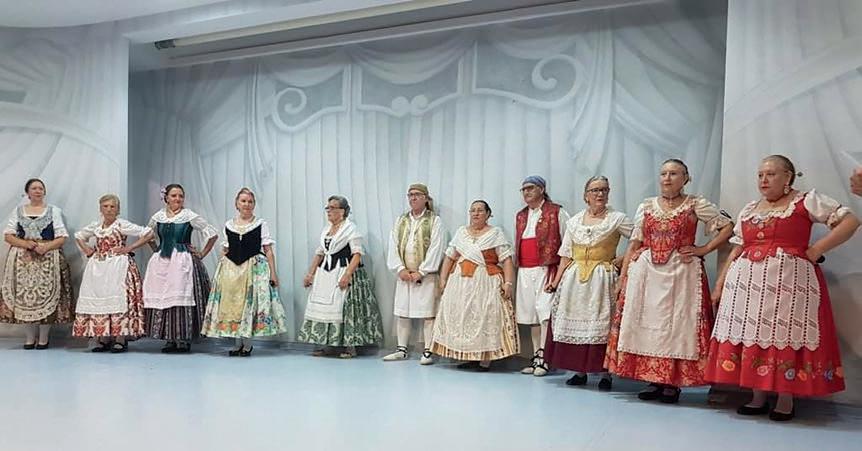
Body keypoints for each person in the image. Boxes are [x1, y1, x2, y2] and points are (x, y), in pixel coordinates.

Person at [707, 155, 859, 421]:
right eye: (760, 175)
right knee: (752, 333)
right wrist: (720, 283)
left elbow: (850, 222)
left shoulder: (805, 201)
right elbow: (738, 248)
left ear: (788, 177)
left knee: (784, 333)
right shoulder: (750, 209)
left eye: (771, 174)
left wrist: (816, 250)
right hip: (746, 286)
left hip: (789, 283)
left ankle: (785, 398)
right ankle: (757, 396)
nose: (764, 180)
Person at [605, 159, 733, 403]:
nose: (667, 178)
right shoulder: (647, 206)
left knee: (678, 326)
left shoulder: (695, 204)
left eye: (674, 173)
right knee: (648, 324)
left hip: (681, 272)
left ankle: (672, 383)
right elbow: (634, 242)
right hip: (647, 273)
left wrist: (704, 249)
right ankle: (653, 380)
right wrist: (623, 278)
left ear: (685, 178)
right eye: (663, 173)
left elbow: (727, 227)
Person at [543, 176, 632, 389]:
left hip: (601, 277)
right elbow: (566, 254)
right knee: (576, 320)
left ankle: (605, 374)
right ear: (586, 195)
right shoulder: (574, 222)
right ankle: (579, 370)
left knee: (601, 322)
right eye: (595, 190)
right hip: (574, 279)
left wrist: (623, 258)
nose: (599, 194)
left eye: (604, 190)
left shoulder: (617, 219)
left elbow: (640, 239)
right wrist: (555, 281)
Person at [431, 200, 519, 372]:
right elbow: (450, 257)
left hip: (485, 282)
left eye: (480, 210)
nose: (476, 213)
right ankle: (470, 357)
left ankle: (485, 360)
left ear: (488, 214)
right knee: (463, 318)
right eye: (473, 210)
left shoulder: (495, 233)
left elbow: (506, 259)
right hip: (460, 283)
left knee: (484, 316)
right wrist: (443, 280)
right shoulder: (461, 232)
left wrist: (508, 283)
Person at [201, 188, 287, 356]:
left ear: (254, 204)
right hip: (231, 270)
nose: (247, 204)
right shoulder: (229, 225)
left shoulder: (260, 224)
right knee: (234, 305)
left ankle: (247, 344)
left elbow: (268, 250)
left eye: (250, 201)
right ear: (237, 204)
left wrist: (273, 273)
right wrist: (219, 272)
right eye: (243, 201)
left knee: (248, 304)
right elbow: (225, 249)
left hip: (253, 268)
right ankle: (237, 344)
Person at [298, 195, 384, 358]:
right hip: (326, 273)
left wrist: (347, 275)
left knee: (344, 308)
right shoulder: (326, 230)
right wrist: (310, 273)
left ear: (342, 211)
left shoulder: (350, 229)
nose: (329, 211)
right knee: (325, 308)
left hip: (344, 270)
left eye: (332, 208)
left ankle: (350, 347)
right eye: (328, 208)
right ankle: (330, 345)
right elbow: (320, 253)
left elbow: (357, 254)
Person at [142, 183, 218, 353]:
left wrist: (202, 253)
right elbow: (147, 235)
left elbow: (212, 234)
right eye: (174, 195)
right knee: (163, 297)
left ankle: (183, 338)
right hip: (163, 260)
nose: (178, 199)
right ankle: (170, 338)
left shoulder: (188, 215)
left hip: (183, 259)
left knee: (182, 296)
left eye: (181, 196)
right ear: (166, 198)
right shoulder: (158, 216)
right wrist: (157, 250)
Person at [73, 194, 152, 352]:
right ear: (100, 208)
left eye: (112, 206)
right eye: (106, 206)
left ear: (117, 209)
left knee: (118, 297)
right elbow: (79, 236)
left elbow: (148, 233)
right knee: (100, 298)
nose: (109, 209)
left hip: (117, 265)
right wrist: (87, 250)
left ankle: (120, 338)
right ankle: (104, 337)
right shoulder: (96, 226)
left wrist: (129, 248)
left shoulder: (121, 224)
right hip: (98, 267)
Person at [0, 178, 73, 349]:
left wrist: (46, 246)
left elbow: (62, 237)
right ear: (27, 193)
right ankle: (29, 337)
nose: (38, 191)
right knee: (25, 299)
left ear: (44, 192)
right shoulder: (18, 211)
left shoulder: (54, 211)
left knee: (45, 295)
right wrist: (25, 243)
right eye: (34, 188)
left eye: (41, 188)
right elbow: (8, 236)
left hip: (48, 259)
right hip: (22, 261)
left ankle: (44, 338)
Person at [382, 184, 445, 365]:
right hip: (404, 275)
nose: (413, 198)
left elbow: (437, 247)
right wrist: (399, 269)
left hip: (426, 276)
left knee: (428, 313)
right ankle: (401, 349)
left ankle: (428, 350)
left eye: (417, 194)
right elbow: (393, 245)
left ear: (426, 198)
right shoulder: (401, 220)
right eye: (410, 195)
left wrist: (422, 271)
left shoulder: (435, 221)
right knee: (403, 311)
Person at [515, 176, 569, 377]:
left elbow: (568, 242)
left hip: (547, 269)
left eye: (530, 188)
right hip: (525, 270)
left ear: (542, 189)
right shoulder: (521, 215)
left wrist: (559, 274)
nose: (526, 192)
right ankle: (536, 356)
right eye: (523, 189)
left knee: (545, 314)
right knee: (531, 317)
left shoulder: (557, 212)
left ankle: (545, 357)